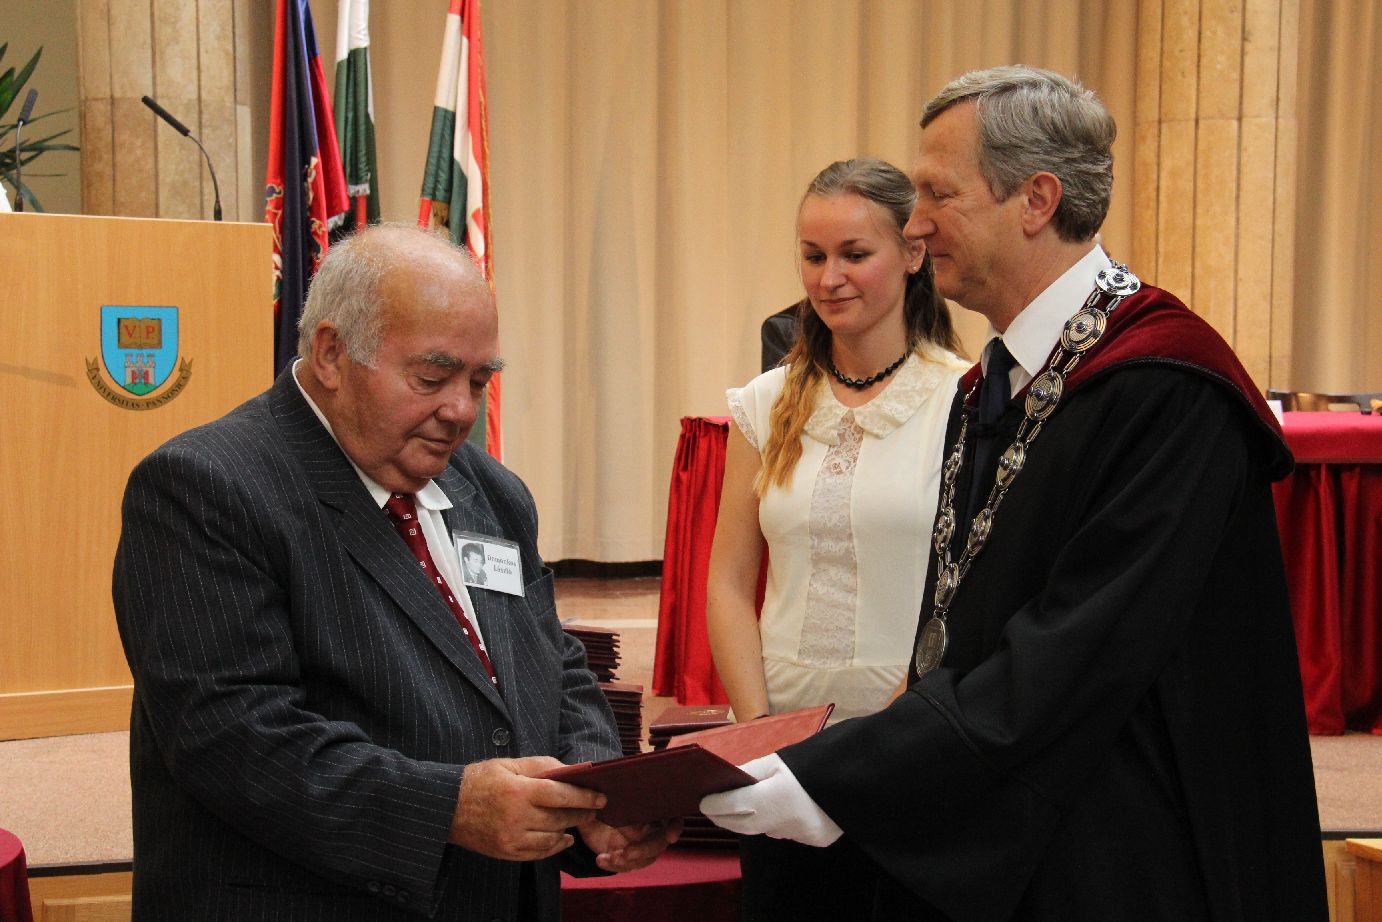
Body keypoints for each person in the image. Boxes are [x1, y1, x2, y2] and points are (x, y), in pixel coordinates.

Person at [703, 66, 1328, 921]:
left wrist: (841, 777)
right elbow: (960, 632)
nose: (915, 224)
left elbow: (1072, 652)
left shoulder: (1164, 385)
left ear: (1036, 200)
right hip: (1016, 814)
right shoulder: (1000, 382)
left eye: (939, 194)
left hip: (1127, 845)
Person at [113, 224, 676, 922]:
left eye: (480, 381)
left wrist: (595, 794)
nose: (461, 411)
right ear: (331, 353)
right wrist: (449, 808)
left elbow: (553, 664)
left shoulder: (493, 492)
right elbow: (230, 738)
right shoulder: (207, 487)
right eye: (432, 378)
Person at [705, 157, 967, 919]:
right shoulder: (764, 403)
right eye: (813, 255)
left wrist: (884, 749)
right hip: (780, 749)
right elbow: (727, 582)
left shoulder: (963, 399)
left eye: (855, 254)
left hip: (911, 745)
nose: (829, 278)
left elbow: (965, 596)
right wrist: (758, 732)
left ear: (912, 253)